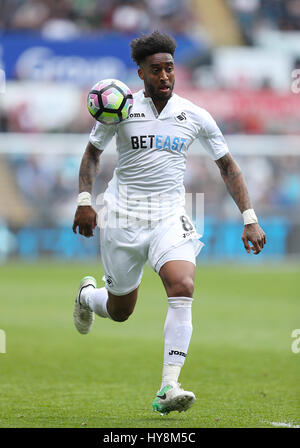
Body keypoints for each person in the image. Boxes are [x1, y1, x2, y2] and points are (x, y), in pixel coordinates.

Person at [72, 31, 266, 415]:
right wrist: (84, 201)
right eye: (156, 70)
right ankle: (86, 297)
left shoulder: (195, 115)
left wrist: (250, 218)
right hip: (122, 216)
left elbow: (228, 166)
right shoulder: (120, 108)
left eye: (170, 69)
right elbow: (92, 155)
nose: (164, 76)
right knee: (121, 309)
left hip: (169, 214)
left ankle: (169, 385)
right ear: (141, 72)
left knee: (182, 284)